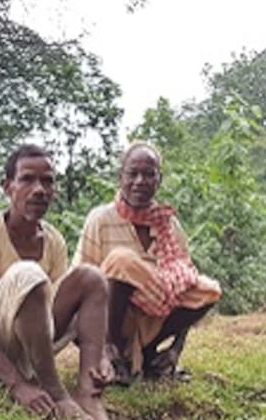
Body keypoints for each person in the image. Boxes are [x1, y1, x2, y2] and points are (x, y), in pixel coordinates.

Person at [0, 144, 118, 420]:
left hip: (29, 344)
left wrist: (101, 353)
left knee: (91, 277)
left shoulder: (53, 240)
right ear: (8, 187)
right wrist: (17, 384)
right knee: (28, 273)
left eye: (48, 181)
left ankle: (88, 394)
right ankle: (57, 392)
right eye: (27, 179)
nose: (39, 189)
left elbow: (53, 310)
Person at [74, 141, 221, 382]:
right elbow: (80, 280)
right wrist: (96, 342)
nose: (140, 181)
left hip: (151, 322)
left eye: (148, 174)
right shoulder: (100, 219)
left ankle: (150, 354)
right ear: (120, 177)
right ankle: (113, 353)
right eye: (133, 173)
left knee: (209, 290)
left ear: (158, 179)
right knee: (121, 261)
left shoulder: (168, 224)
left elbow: (187, 288)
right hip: (104, 322)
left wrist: (176, 349)